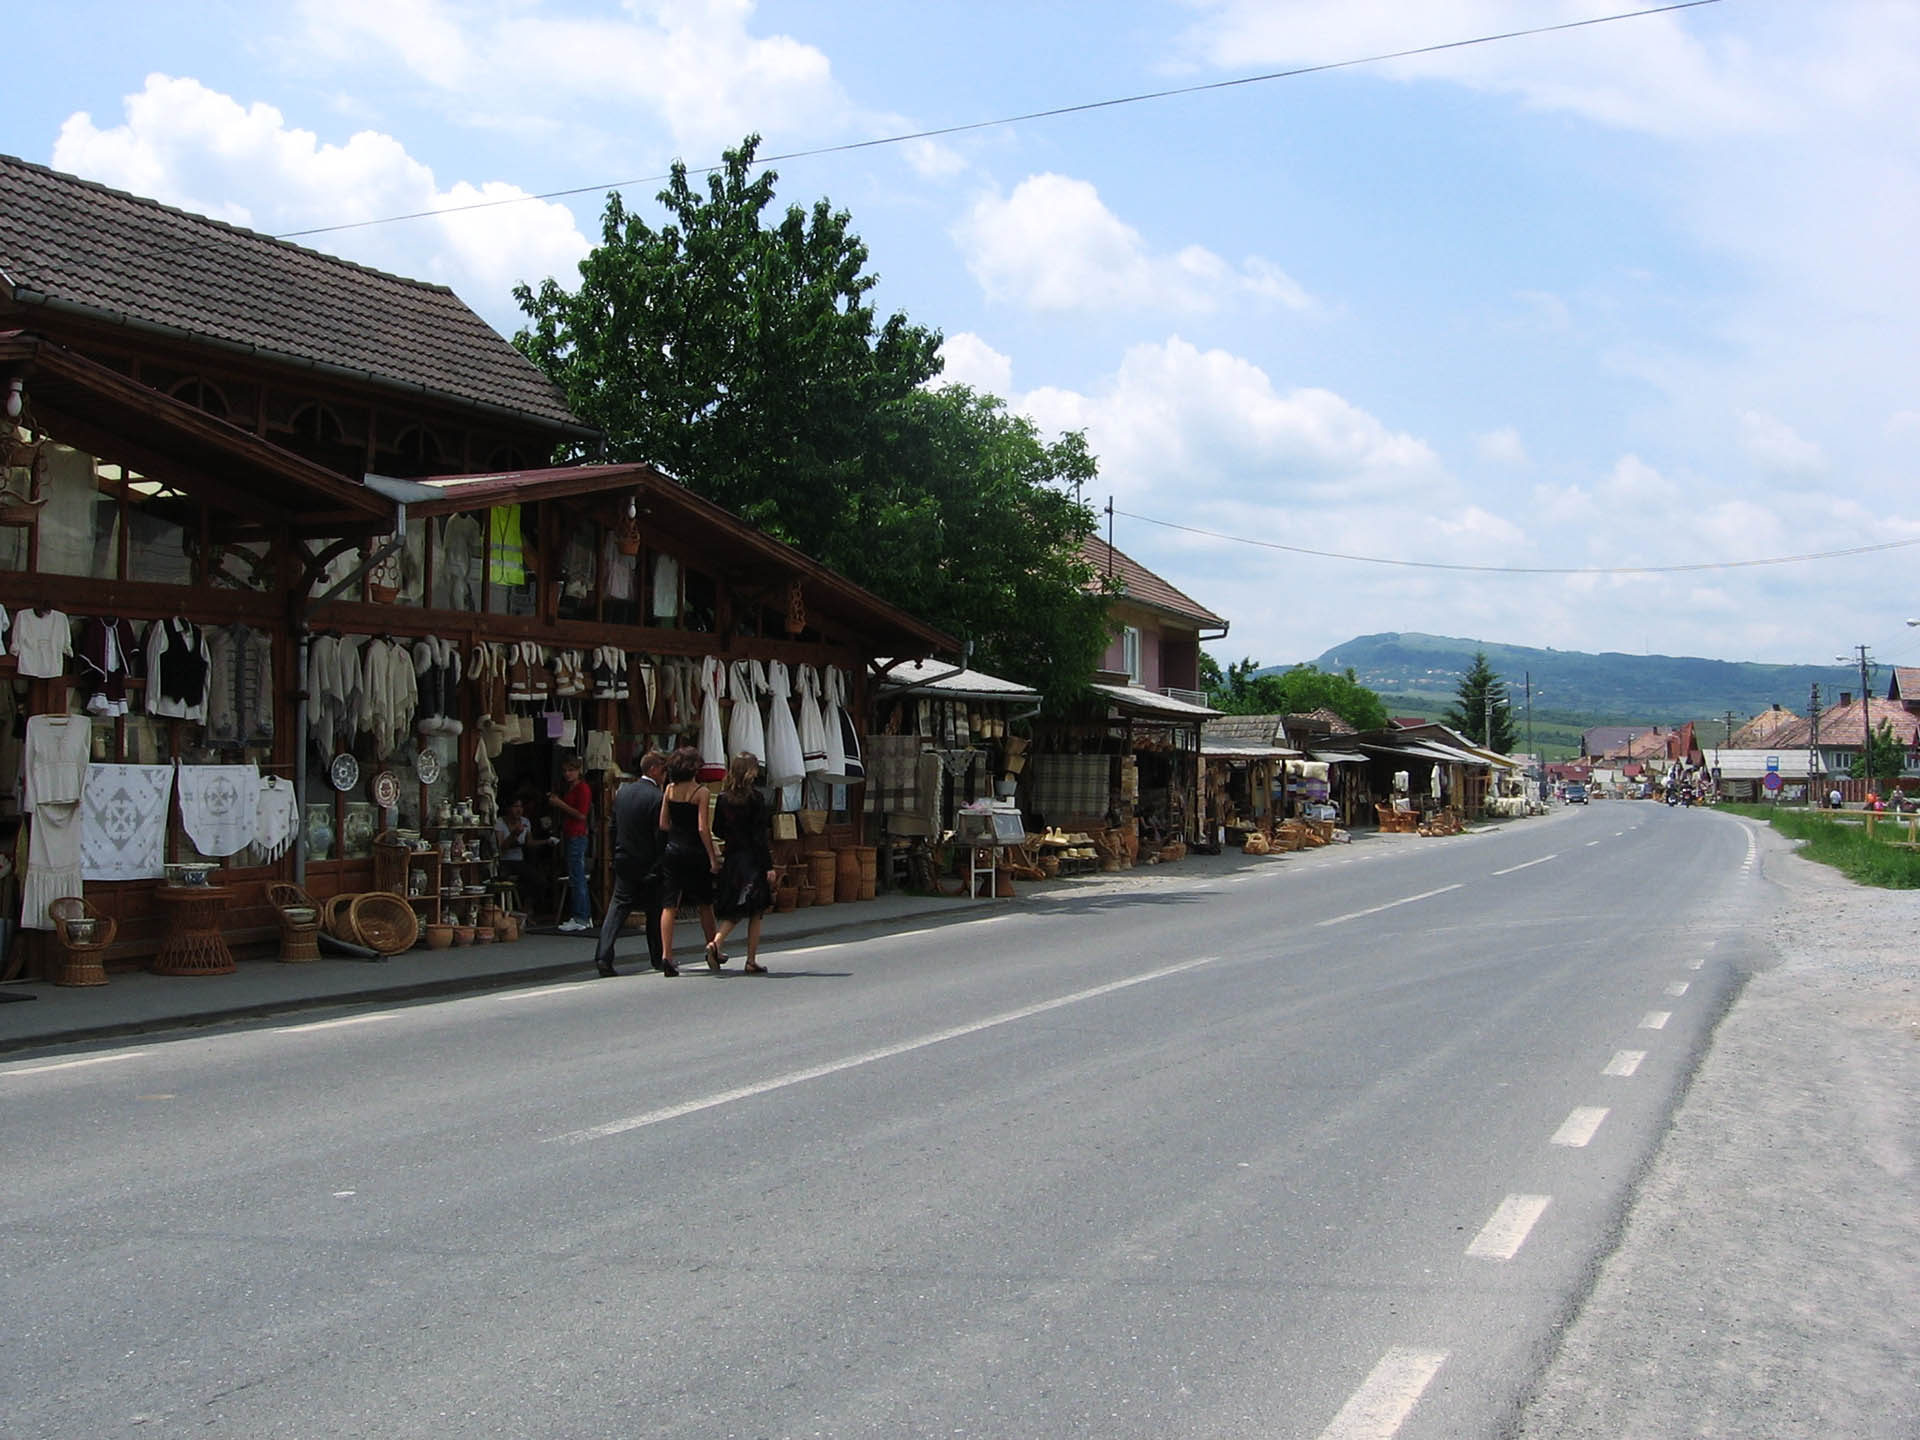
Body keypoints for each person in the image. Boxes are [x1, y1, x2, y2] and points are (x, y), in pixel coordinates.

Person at [594, 750, 669, 977]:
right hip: (649, 861)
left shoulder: (623, 793)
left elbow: (613, 827)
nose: (665, 776)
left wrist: (616, 851)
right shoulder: (657, 797)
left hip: (625, 858)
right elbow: (660, 834)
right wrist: (660, 862)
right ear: (653, 770)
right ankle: (657, 957)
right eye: (663, 771)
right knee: (654, 911)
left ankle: (603, 955)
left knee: (618, 907)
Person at [707, 752, 778, 974]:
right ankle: (749, 959)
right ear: (750, 772)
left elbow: (717, 829)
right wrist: (769, 866)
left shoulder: (723, 798)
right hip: (753, 860)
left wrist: (732, 837)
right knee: (756, 910)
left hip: (733, 858)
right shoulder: (756, 799)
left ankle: (717, 942)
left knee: (737, 907)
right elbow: (760, 836)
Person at [657, 746, 720, 973]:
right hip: (695, 851)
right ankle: (713, 947)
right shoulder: (701, 792)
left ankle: (667, 955)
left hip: (673, 850)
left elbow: (663, 823)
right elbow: (703, 828)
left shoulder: (669, 789)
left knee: (670, 904)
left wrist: (677, 832)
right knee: (705, 903)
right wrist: (712, 857)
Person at [549, 755, 594, 933]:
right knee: (576, 875)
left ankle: (581, 917)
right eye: (565, 771)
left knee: (577, 876)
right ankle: (583, 916)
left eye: (571, 770)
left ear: (579, 771)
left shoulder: (582, 788)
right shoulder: (571, 788)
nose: (568, 774)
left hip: (577, 835)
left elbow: (582, 815)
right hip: (571, 834)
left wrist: (559, 803)